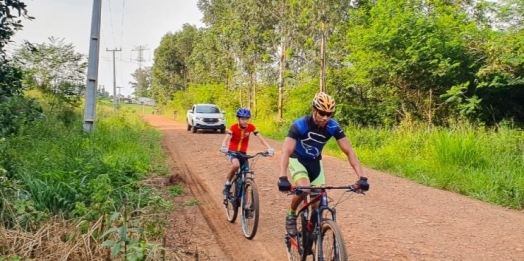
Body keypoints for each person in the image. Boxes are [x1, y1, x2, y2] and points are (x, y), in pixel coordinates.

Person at [276, 92, 369, 236]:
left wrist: (362, 177)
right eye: (322, 113)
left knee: (317, 202)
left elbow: (349, 151)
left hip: (315, 163)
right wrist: (282, 176)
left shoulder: (333, 126)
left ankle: (310, 234)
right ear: (314, 110)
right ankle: (291, 214)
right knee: (304, 189)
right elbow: (286, 151)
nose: (325, 117)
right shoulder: (300, 125)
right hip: (298, 160)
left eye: (329, 114)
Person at [220, 107, 275, 195]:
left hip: (243, 153)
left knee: (246, 172)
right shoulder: (234, 127)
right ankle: (228, 184)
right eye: (242, 119)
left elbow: (261, 138)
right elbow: (226, 138)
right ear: (238, 119)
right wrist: (223, 146)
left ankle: (244, 198)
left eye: (247, 119)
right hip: (232, 151)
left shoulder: (251, 127)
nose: (245, 121)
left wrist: (269, 148)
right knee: (236, 165)